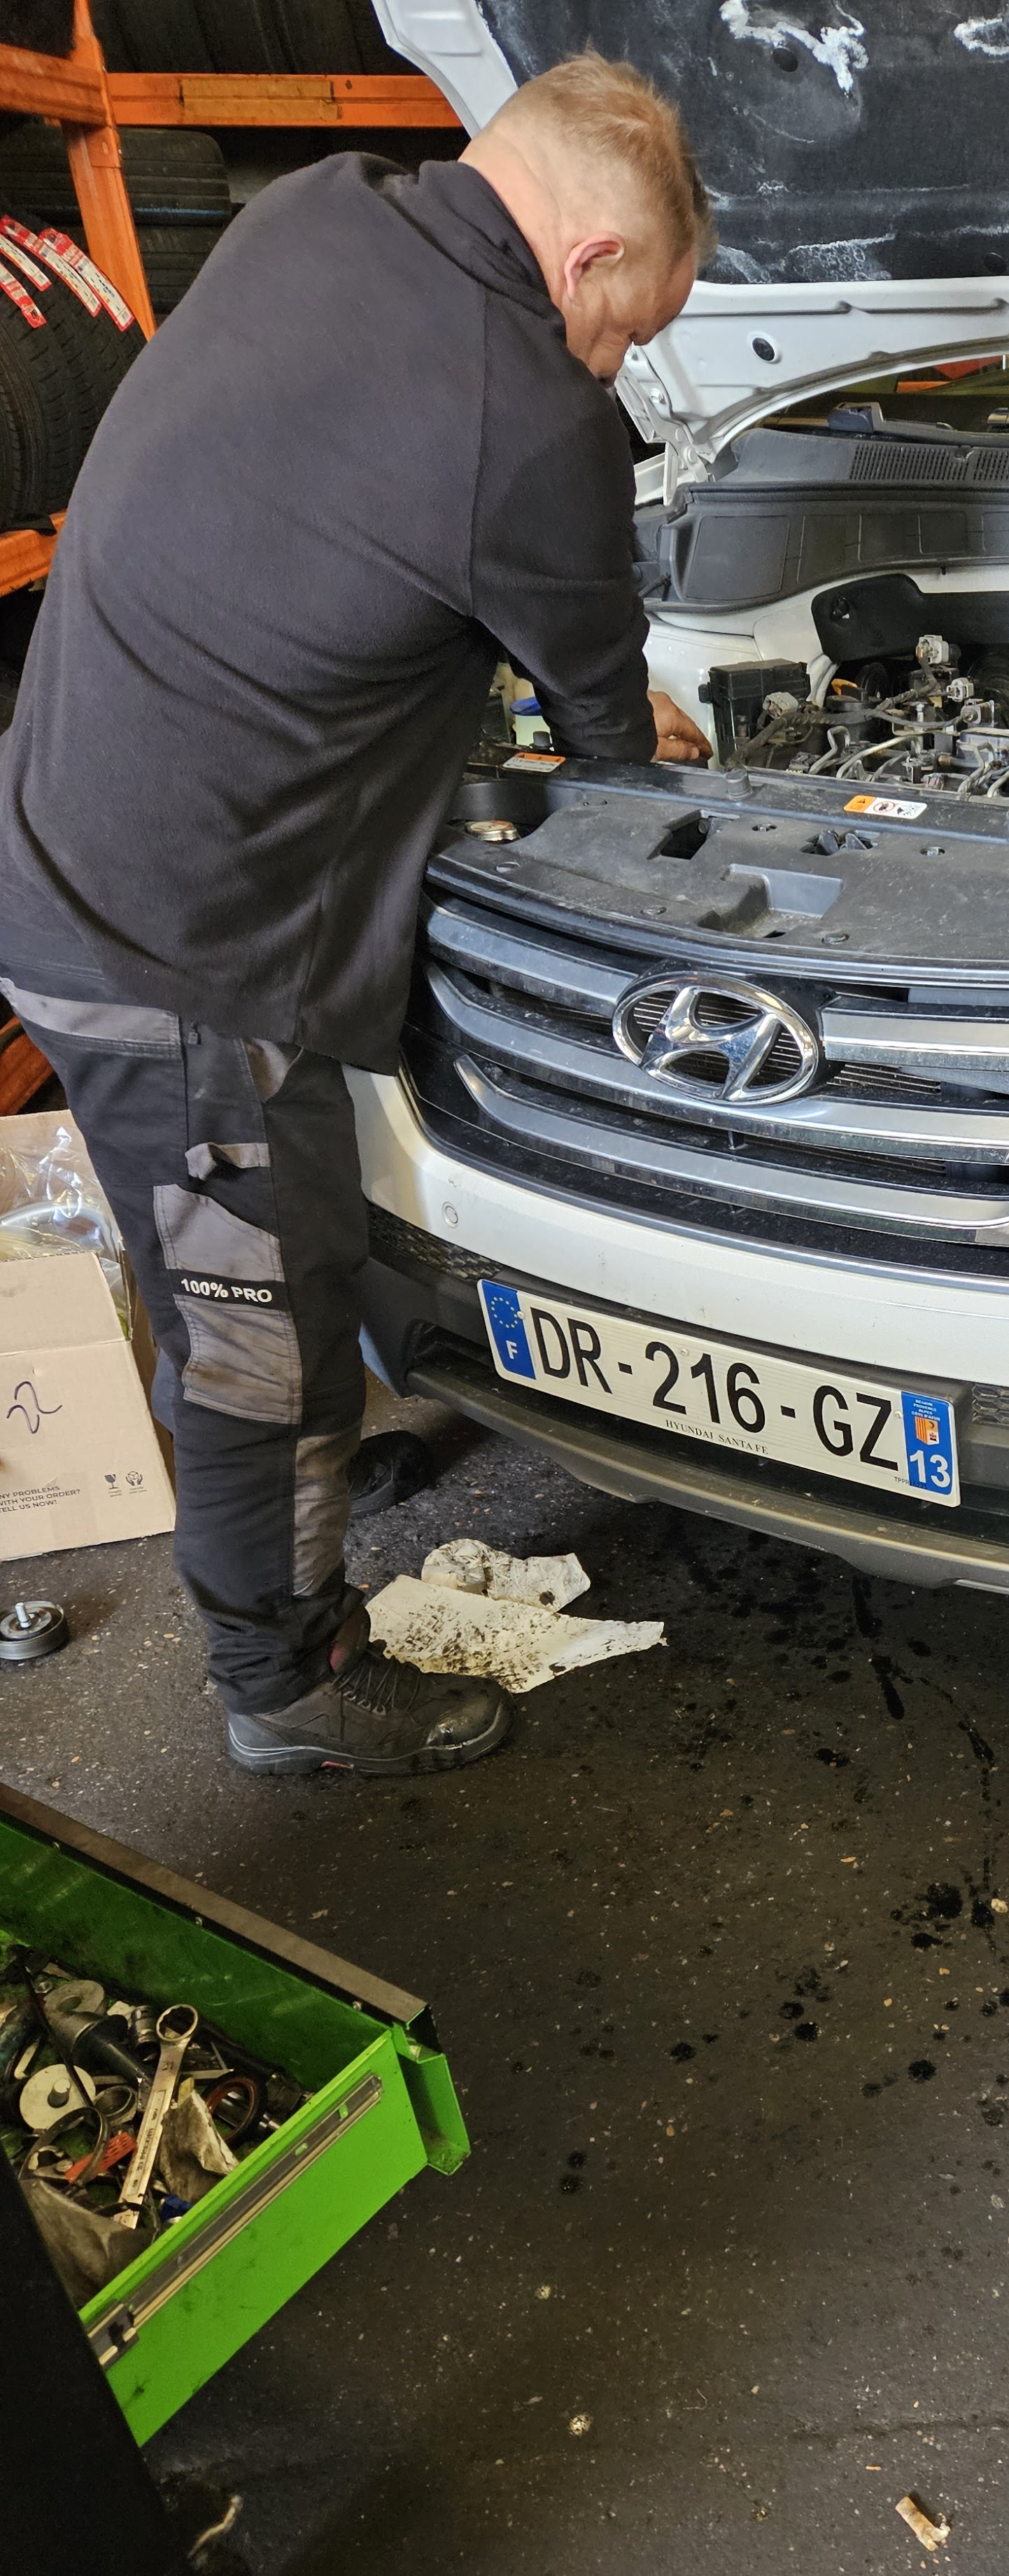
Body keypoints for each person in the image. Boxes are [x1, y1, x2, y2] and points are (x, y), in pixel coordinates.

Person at [0, 53, 712, 1778]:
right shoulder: (530, 417)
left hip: (72, 846)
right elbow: (620, 754)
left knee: (265, 1281)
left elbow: (340, 530)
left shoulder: (315, 213)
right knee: (257, 1332)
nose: (611, 370)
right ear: (591, 258)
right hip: (177, 954)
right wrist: (645, 724)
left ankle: (304, 1468)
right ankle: (284, 1680)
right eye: (627, 333)